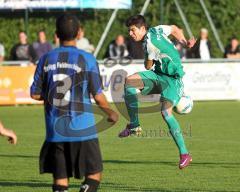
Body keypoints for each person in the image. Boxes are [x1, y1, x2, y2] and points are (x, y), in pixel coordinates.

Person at [30, 14, 118, 192]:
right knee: (94, 174)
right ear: (79, 33)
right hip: (82, 130)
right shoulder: (87, 59)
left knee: (60, 180)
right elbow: (98, 95)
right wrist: (111, 112)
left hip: (55, 131)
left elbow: (34, 94)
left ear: (56, 34)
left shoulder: (45, 59)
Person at [118, 15, 196, 169]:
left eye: (133, 30)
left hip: (173, 79)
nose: (130, 34)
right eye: (129, 31)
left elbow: (148, 66)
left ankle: (185, 153)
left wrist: (149, 57)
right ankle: (134, 125)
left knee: (166, 112)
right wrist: (185, 43)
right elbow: (174, 28)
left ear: (142, 28)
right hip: (159, 75)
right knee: (129, 81)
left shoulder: (150, 44)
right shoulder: (156, 29)